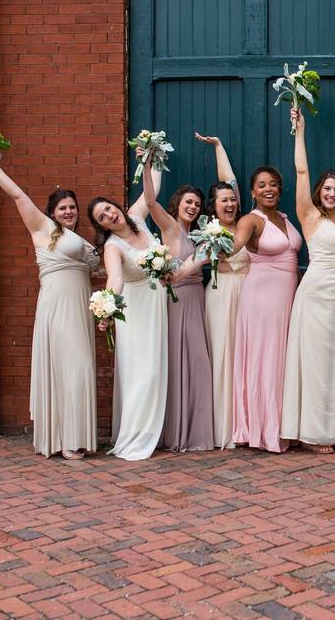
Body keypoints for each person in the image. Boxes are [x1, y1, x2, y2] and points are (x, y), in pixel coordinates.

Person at [0, 153, 98, 460]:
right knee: (72, 367)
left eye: (73, 207)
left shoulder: (80, 239)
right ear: (52, 212)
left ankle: (74, 437)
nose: (70, 211)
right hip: (57, 307)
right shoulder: (42, 228)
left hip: (80, 308)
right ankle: (64, 439)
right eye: (63, 207)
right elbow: (18, 194)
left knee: (80, 367)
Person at [280, 108, 335, 453]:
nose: (331, 193)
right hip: (316, 297)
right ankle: (312, 433)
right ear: (318, 191)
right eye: (326, 188)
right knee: (315, 364)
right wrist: (300, 132)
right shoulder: (309, 216)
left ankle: (331, 428)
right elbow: (300, 170)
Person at [88, 156, 167, 461]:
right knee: (141, 373)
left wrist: (152, 156)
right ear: (100, 226)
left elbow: (153, 189)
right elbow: (115, 279)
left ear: (116, 206)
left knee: (156, 369)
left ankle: (152, 431)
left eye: (108, 208)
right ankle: (135, 436)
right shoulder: (112, 247)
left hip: (156, 304)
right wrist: (107, 309)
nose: (109, 215)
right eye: (102, 217)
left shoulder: (137, 215)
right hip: (134, 310)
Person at [141, 156, 214, 453]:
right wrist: (146, 165)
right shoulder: (170, 227)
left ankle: (197, 431)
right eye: (188, 202)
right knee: (175, 361)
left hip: (198, 297)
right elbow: (149, 201)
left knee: (199, 363)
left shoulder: (201, 234)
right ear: (178, 203)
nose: (193, 207)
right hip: (176, 299)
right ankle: (174, 431)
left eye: (197, 203)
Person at [230, 164, 302, 452]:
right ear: (252, 192)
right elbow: (234, 245)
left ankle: (285, 423)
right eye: (261, 185)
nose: (268, 189)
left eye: (273, 184)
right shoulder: (251, 220)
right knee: (266, 361)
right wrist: (216, 246)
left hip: (287, 299)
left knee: (283, 361)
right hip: (261, 299)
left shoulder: (285, 218)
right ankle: (264, 430)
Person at [194, 133, 248, 449]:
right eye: (223, 200)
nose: (230, 203)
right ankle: (222, 427)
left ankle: (245, 424)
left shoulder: (243, 225)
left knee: (244, 357)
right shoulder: (208, 232)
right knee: (223, 354)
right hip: (221, 293)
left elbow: (231, 180)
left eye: (232, 199)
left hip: (249, 293)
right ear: (213, 207)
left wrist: (219, 147)